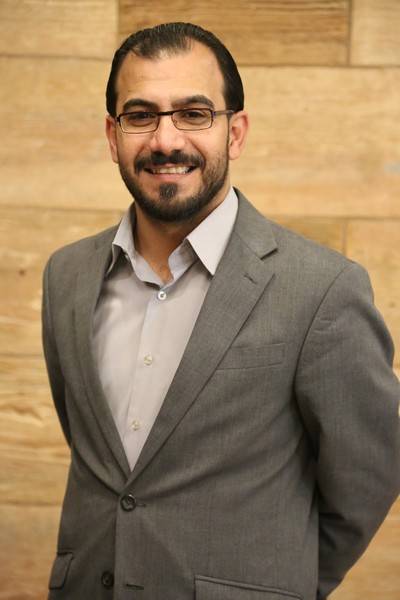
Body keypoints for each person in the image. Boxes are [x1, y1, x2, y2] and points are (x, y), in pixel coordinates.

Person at [42, 22, 400, 600]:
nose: (165, 140)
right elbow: (100, 457)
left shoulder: (323, 289)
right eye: (140, 115)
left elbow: (368, 476)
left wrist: (279, 584)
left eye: (194, 113)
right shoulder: (67, 276)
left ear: (235, 132)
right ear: (113, 135)